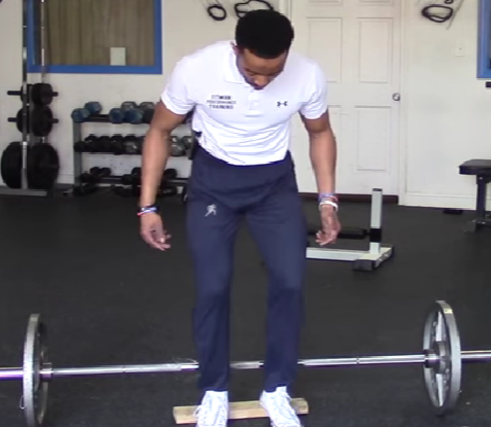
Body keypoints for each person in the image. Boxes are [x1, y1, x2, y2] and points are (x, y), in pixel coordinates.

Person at [138, 9, 340, 427]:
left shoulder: (307, 74)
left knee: (290, 281)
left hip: (274, 186)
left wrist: (327, 200)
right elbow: (159, 131)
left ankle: (278, 389)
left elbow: (320, 132)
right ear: (236, 51)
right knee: (213, 287)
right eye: (252, 73)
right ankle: (213, 390)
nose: (263, 82)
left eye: (273, 72)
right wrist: (148, 206)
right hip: (214, 184)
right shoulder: (197, 70)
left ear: (287, 55)